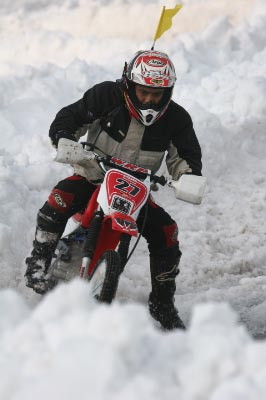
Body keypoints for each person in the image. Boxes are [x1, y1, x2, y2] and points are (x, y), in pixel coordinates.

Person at [25, 50, 202, 330]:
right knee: (57, 202)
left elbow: (186, 157)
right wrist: (63, 138)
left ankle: (163, 304)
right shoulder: (106, 96)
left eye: (157, 94)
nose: (149, 101)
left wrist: (189, 176)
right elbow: (69, 117)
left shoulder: (177, 119)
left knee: (167, 233)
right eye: (143, 92)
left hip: (135, 189)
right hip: (93, 175)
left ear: (168, 92)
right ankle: (38, 262)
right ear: (130, 85)